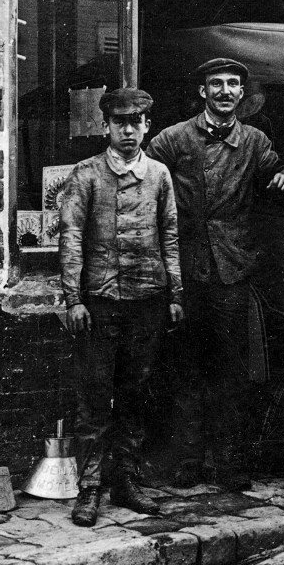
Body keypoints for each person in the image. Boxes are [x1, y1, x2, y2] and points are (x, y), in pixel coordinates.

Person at [146, 58, 284, 490]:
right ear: (203, 92)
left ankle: (229, 463)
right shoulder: (173, 138)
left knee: (230, 369)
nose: (225, 91)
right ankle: (188, 461)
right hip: (183, 267)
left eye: (233, 84)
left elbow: (277, 168)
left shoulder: (253, 140)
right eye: (216, 84)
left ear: (242, 93)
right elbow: (143, 177)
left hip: (231, 267)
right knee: (185, 366)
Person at [59, 88, 185, 527]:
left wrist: (175, 294)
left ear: (147, 125)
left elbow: (170, 235)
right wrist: (74, 299)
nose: (128, 130)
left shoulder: (159, 175)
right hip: (101, 301)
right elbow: (71, 238)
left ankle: (126, 480)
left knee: (135, 392)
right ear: (106, 126)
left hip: (147, 299)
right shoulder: (86, 174)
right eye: (119, 123)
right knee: (95, 396)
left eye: (136, 122)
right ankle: (90, 487)